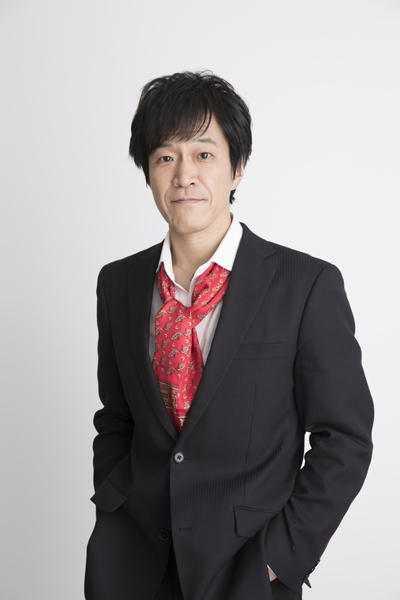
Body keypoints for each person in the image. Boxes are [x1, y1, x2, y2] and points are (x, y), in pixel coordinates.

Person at [84, 71, 374, 600]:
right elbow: (118, 419)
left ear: (238, 167)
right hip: (133, 567)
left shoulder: (305, 285)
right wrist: (114, 508)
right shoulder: (118, 283)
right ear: (148, 171)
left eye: (204, 154)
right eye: (166, 157)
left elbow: (345, 439)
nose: (184, 176)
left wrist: (278, 559)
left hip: (246, 569)